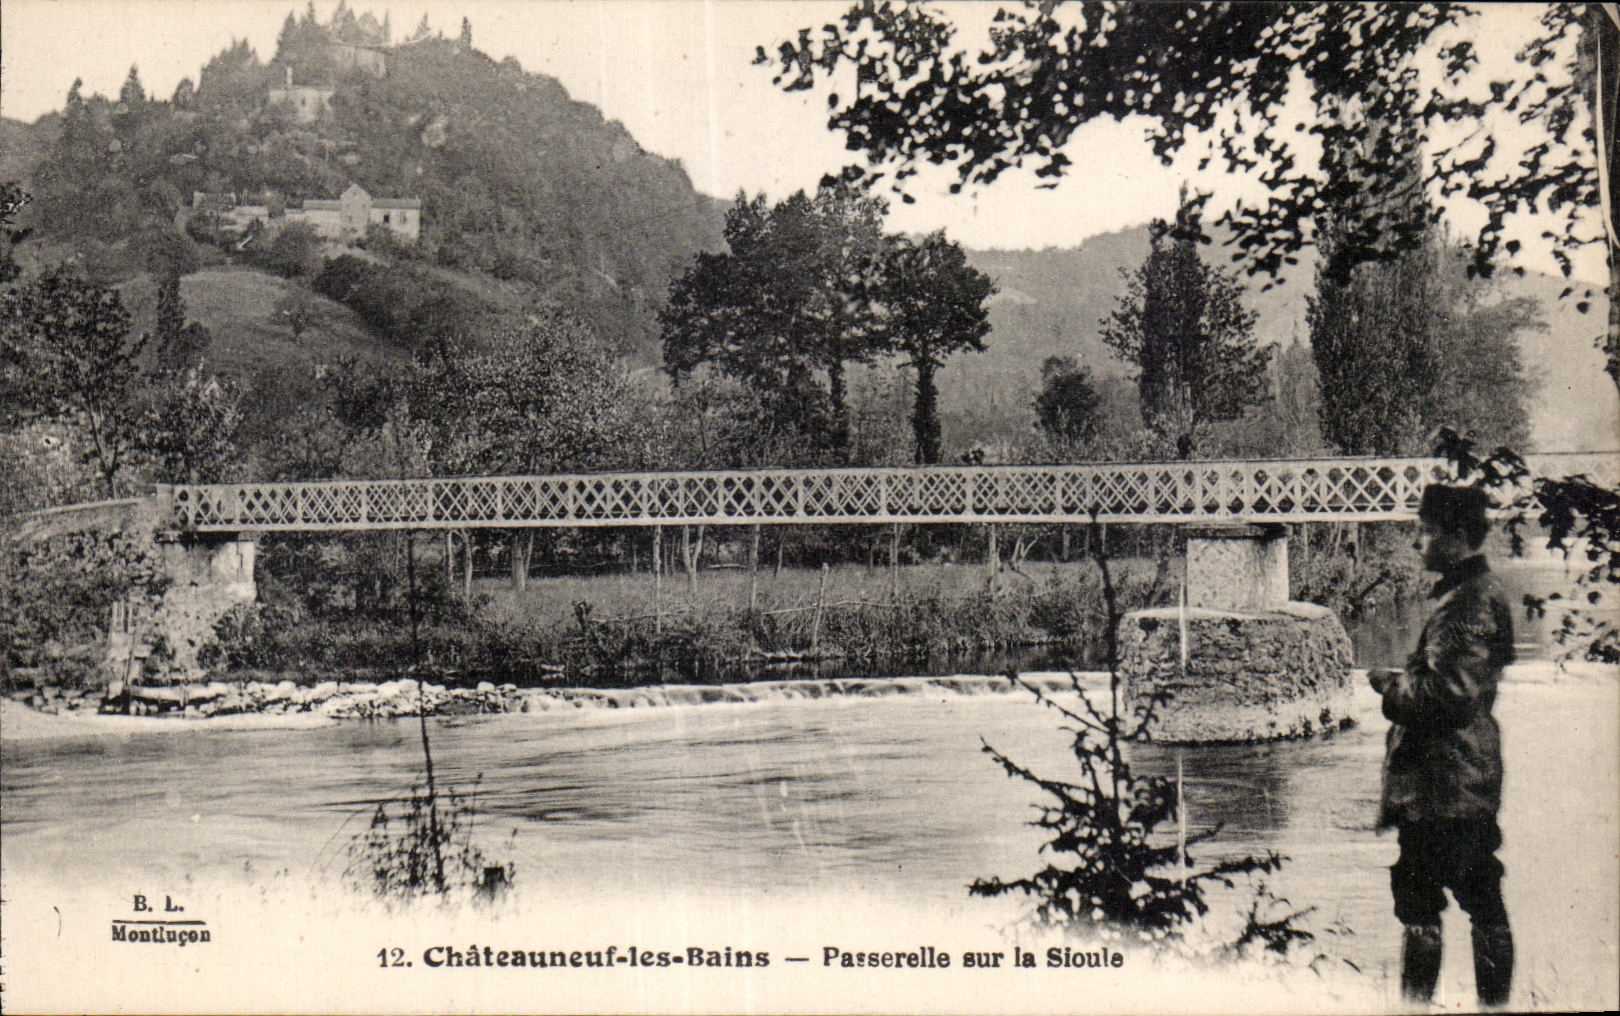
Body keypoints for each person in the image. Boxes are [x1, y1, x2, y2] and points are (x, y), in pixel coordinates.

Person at [1368, 484, 1515, 1009]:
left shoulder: (1470, 601)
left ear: (1454, 536)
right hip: (1457, 781)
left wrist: (1391, 687)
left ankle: (1420, 1009)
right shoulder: (1471, 594)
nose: (1417, 542)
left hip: (1445, 787)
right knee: (1471, 898)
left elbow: (1447, 695)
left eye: (1424, 531)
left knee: (1427, 902)